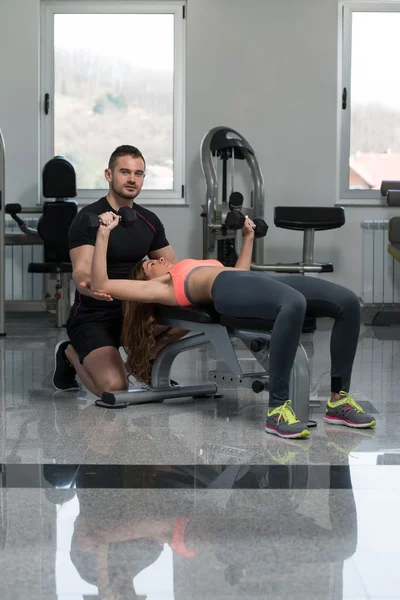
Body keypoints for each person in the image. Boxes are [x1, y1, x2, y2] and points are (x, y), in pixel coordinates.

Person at [90, 210, 376, 439]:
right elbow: (101, 283)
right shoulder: (162, 288)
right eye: (151, 264)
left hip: (249, 280)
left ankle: (338, 401)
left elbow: (240, 274)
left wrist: (248, 236)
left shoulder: (183, 267)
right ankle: (277, 410)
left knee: (347, 302)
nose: (160, 260)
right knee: (293, 303)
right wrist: (103, 234)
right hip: (224, 289)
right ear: (146, 283)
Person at [52, 145, 183, 398]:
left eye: (138, 173)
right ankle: (70, 353)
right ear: (109, 175)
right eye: (124, 171)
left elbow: (175, 268)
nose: (132, 179)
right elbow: (81, 271)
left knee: (185, 320)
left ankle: (140, 366)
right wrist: (89, 286)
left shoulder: (149, 221)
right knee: (114, 389)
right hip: (94, 316)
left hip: (133, 314)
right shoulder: (88, 218)